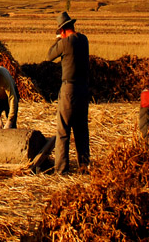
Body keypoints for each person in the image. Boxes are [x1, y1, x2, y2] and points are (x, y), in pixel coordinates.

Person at [47, 11, 90, 174]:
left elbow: (50, 55)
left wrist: (58, 39)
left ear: (63, 30)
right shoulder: (84, 40)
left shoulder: (66, 42)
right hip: (83, 89)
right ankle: (84, 166)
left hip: (69, 90)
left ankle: (61, 169)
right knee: (81, 130)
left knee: (63, 130)